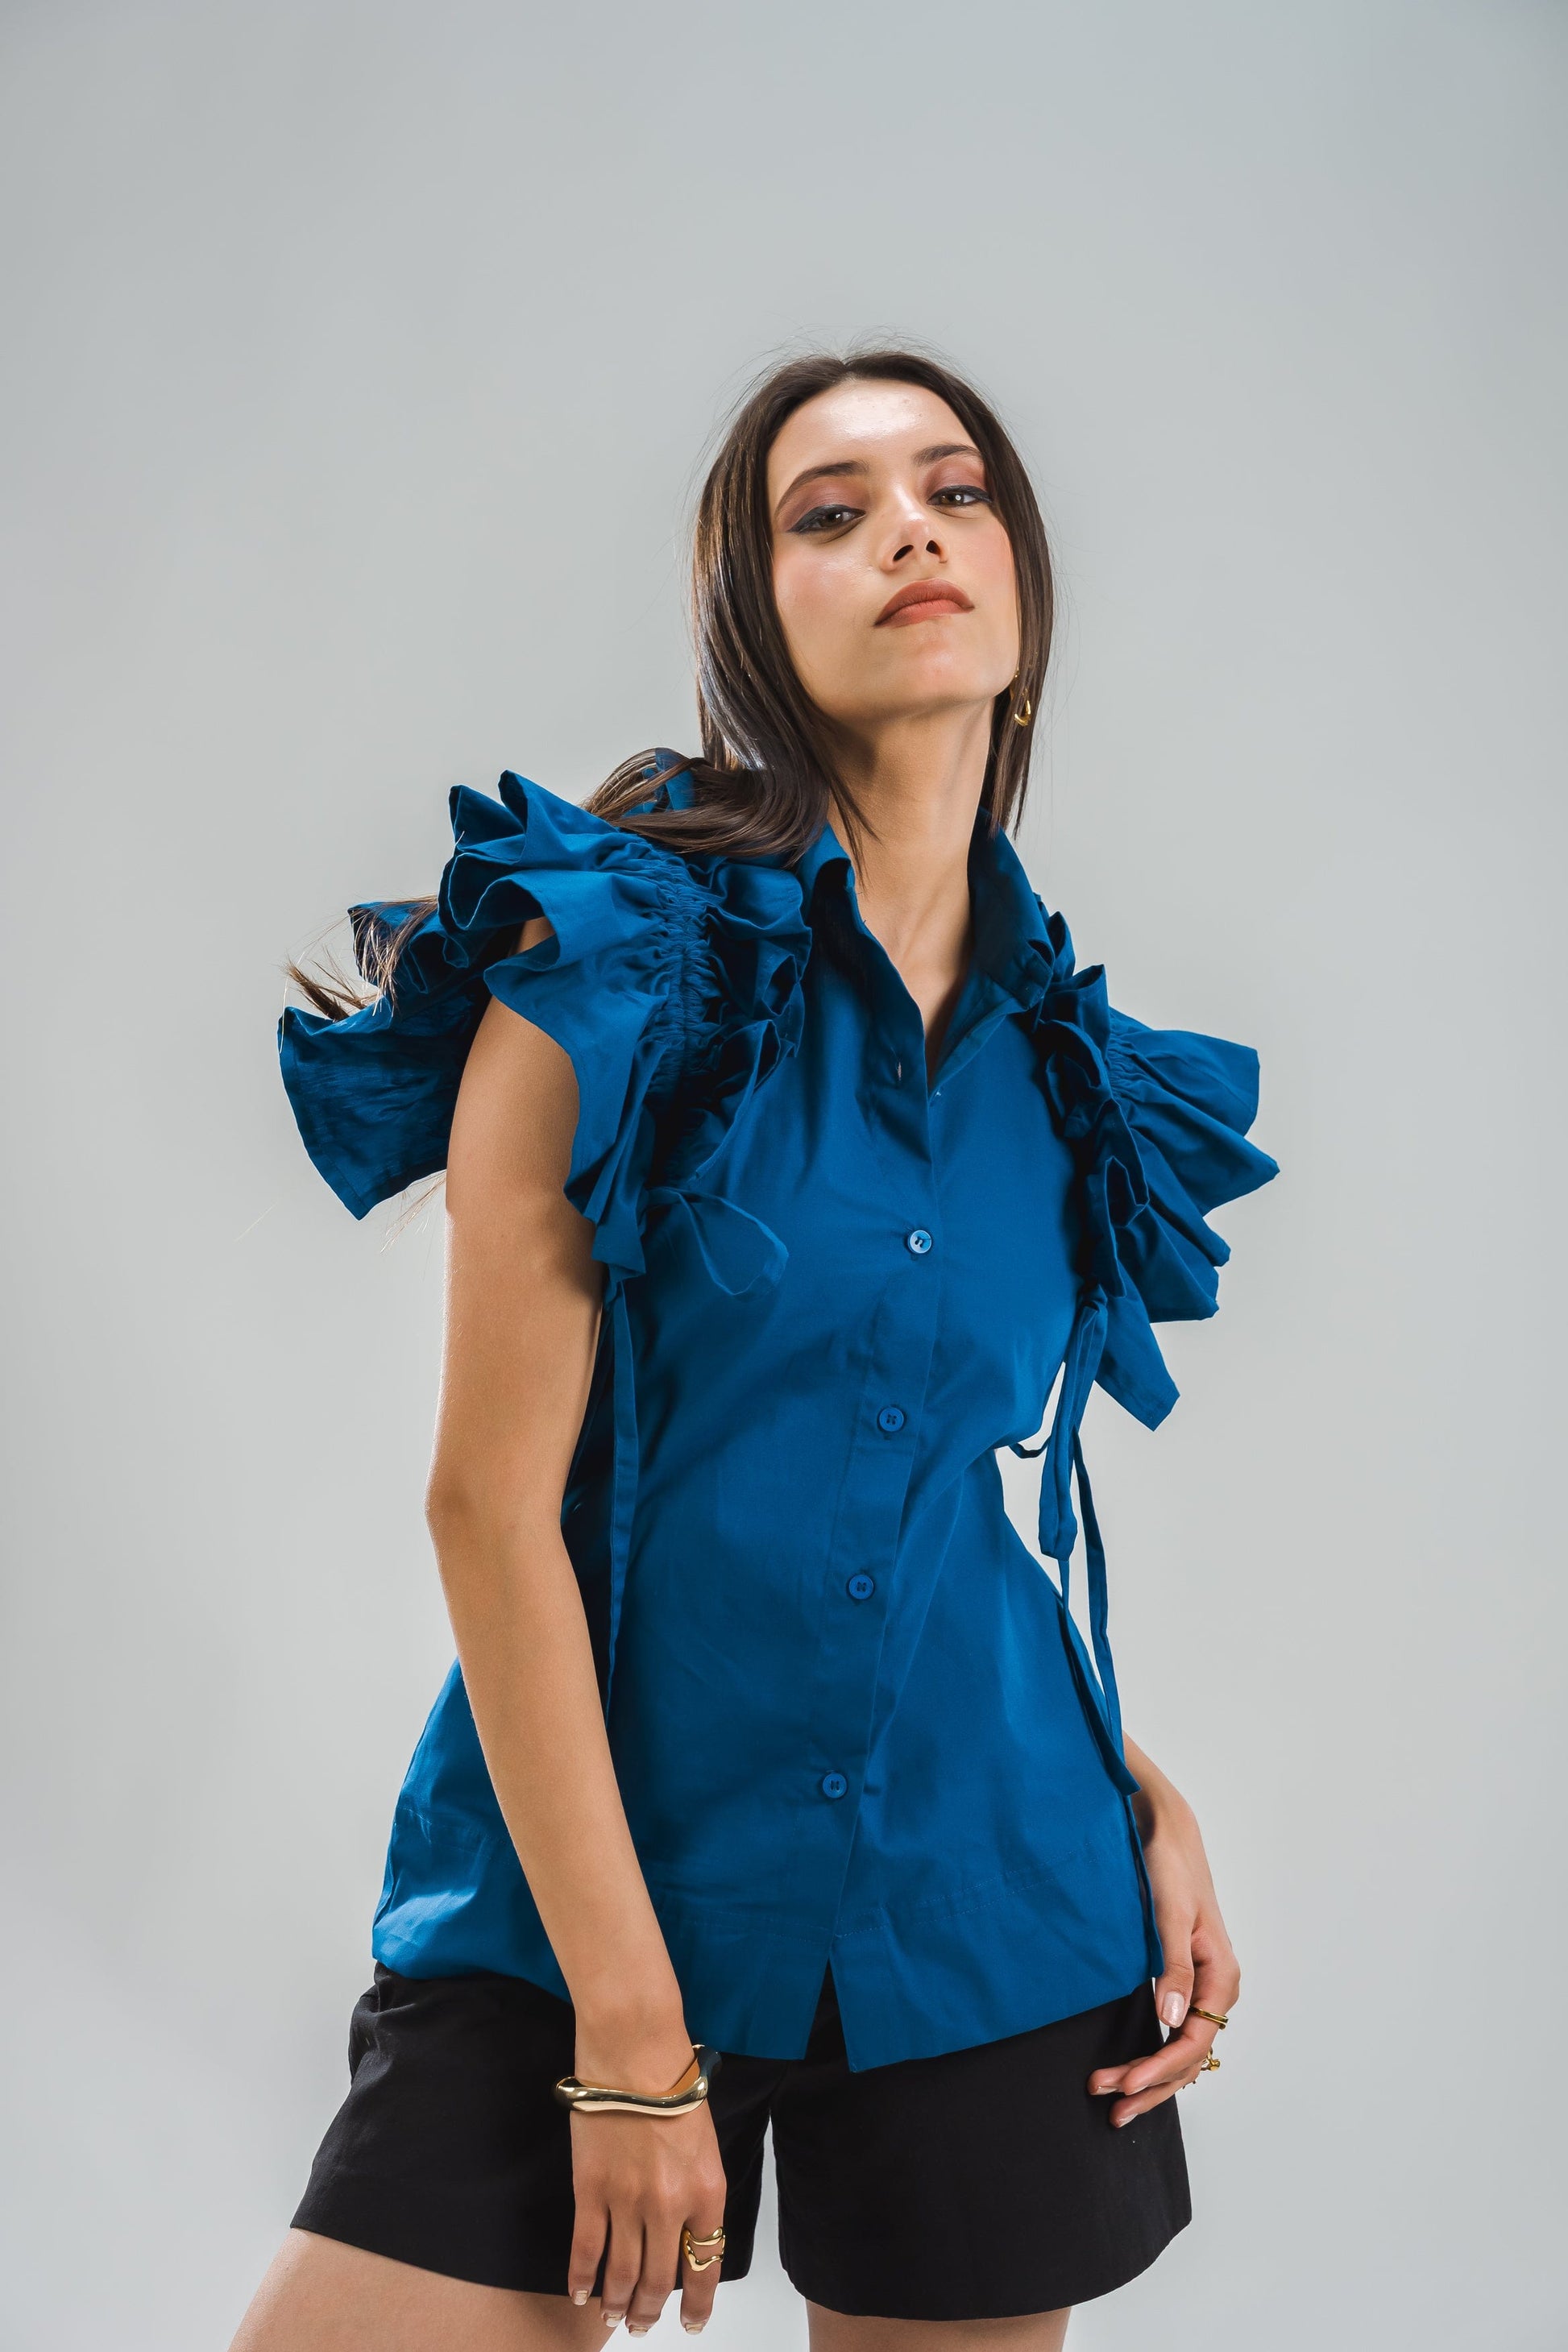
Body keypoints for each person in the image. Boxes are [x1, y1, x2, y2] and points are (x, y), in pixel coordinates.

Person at [232, 347, 1277, 2352]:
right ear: (752, 618)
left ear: (1022, 587)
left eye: (956, 492)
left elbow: (927, 1515)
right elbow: (486, 1506)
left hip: (990, 1910)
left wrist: (1134, 1787)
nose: (910, 532)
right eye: (831, 509)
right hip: (582, 1909)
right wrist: (632, 2043)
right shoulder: (617, 968)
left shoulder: (1074, 1073)